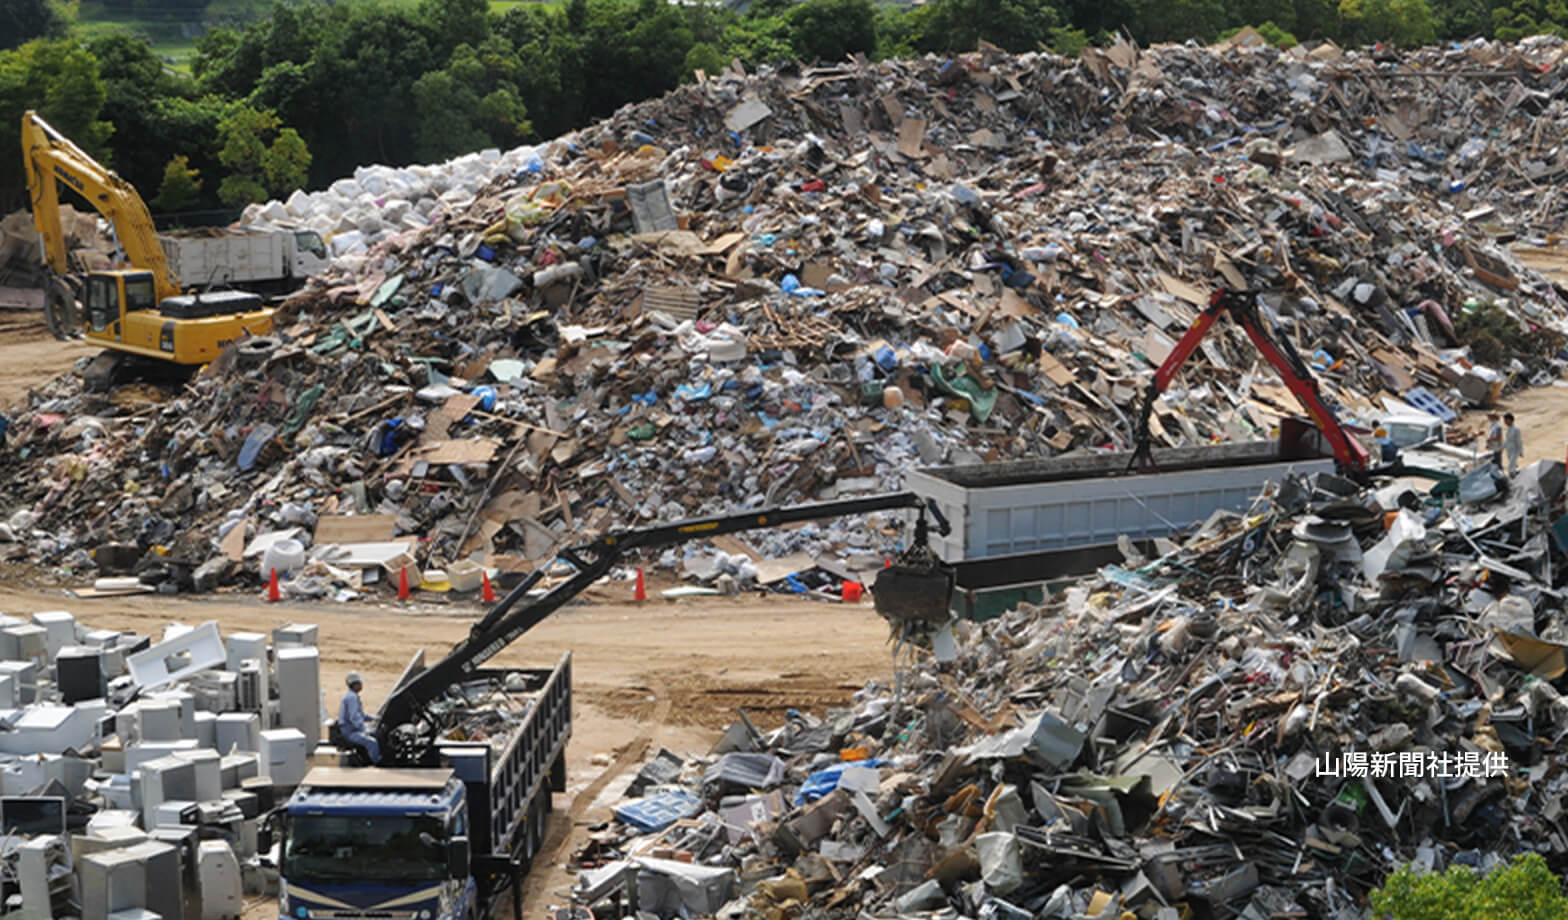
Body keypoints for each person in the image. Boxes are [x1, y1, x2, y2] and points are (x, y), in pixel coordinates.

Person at [338, 672, 380, 764]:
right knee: (372, 743)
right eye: (360, 683)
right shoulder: (351, 698)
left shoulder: (353, 696)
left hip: (354, 730)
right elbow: (354, 718)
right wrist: (365, 730)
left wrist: (375, 718)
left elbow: (362, 716)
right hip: (350, 732)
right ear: (355, 684)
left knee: (377, 732)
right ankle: (377, 763)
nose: (361, 685)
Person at [1504, 412, 1524, 476]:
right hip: (1509, 450)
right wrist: (1502, 447)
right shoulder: (1508, 429)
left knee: (1510, 467)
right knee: (1513, 465)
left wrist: (1521, 451)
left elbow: (1519, 441)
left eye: (1506, 420)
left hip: (1515, 450)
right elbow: (1507, 440)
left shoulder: (1516, 429)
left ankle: (1512, 479)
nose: (1505, 422)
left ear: (1510, 420)